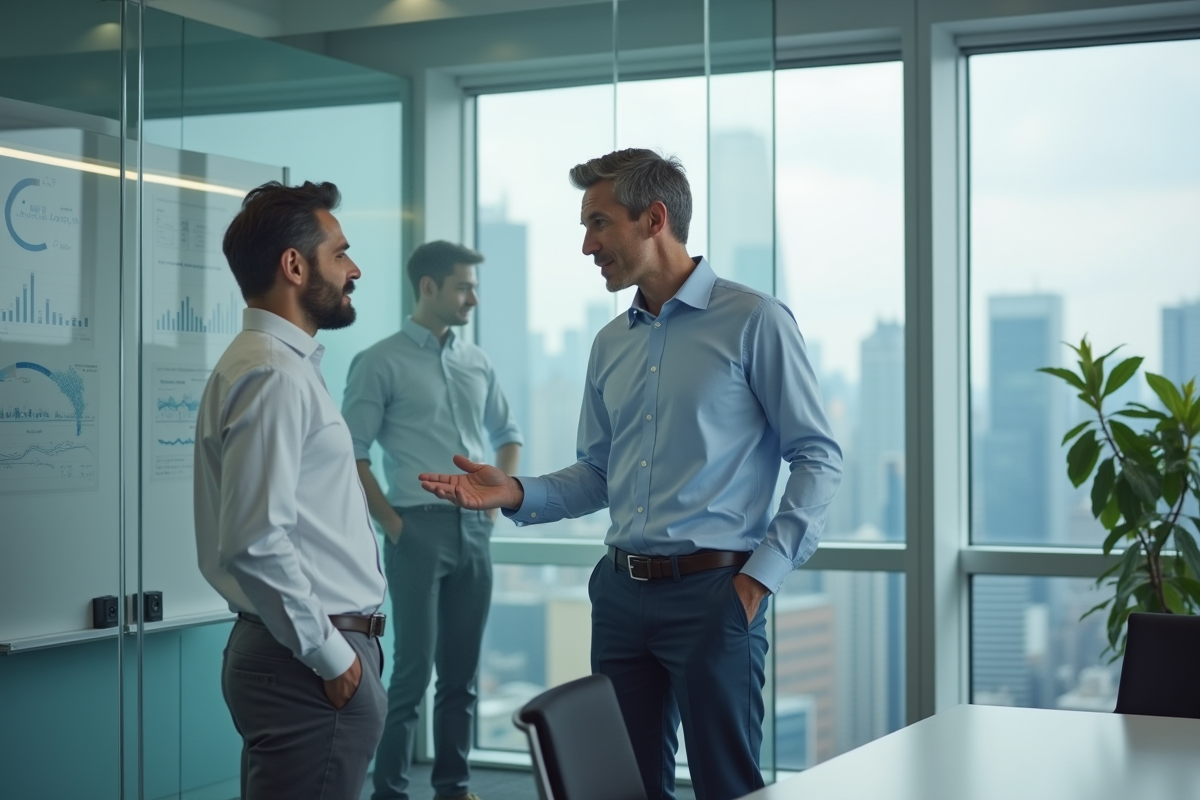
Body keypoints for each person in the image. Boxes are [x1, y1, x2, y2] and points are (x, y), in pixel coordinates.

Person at [418, 149, 842, 800]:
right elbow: (597, 473)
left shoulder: (754, 320)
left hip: (716, 597)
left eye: (598, 223)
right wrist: (518, 491)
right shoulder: (610, 343)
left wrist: (759, 581)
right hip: (619, 595)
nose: (587, 245)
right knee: (618, 789)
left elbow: (817, 456)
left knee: (727, 788)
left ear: (654, 219)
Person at [193, 180, 388, 800]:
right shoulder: (272, 374)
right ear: (295, 266)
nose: (354, 269)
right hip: (307, 660)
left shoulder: (276, 365)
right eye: (340, 253)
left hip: (300, 653)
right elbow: (252, 540)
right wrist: (333, 658)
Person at [342, 241, 523, 800]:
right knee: (411, 674)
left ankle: (453, 788)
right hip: (416, 530)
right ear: (428, 287)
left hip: (475, 530)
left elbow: (508, 436)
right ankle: (390, 792)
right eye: (463, 287)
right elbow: (351, 454)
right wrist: (393, 526)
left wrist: (492, 509)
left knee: (461, 678)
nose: (473, 298)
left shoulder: (477, 360)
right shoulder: (378, 361)